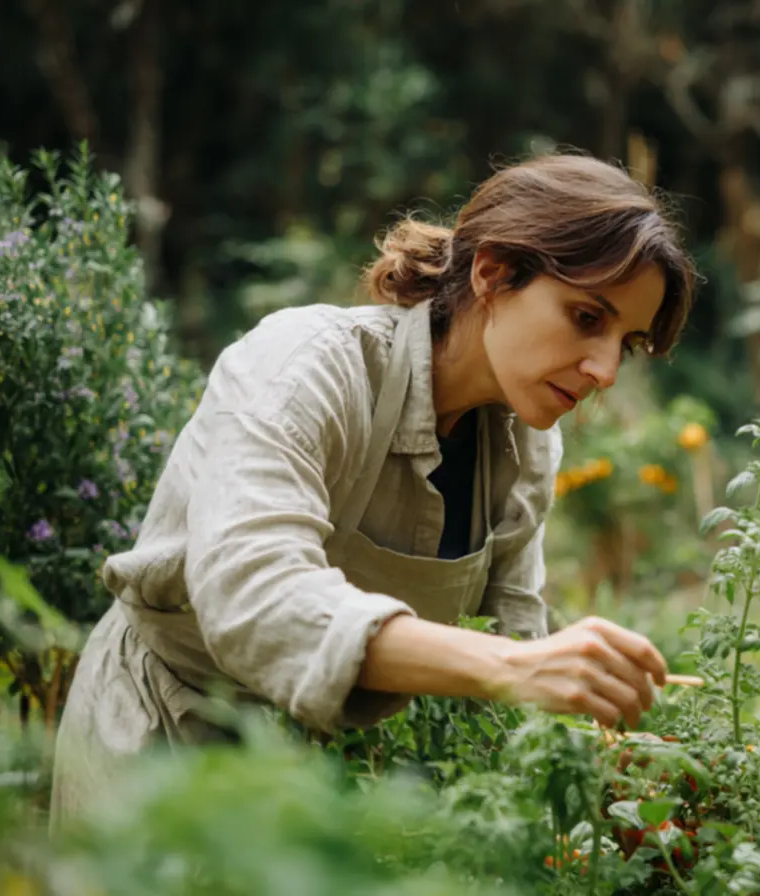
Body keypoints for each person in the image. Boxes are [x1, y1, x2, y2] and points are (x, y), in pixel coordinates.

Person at [50, 152, 699, 827]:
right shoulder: (305, 367)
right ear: (493, 273)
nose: (604, 371)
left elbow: (514, 633)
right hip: (162, 751)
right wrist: (513, 665)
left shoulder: (525, 442)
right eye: (587, 317)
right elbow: (255, 594)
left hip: (326, 783)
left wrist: (610, 764)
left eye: (626, 342)